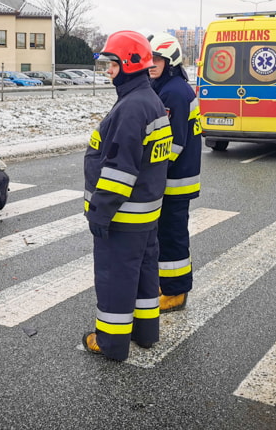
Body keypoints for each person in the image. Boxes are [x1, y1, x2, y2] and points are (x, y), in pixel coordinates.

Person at [82, 31, 173, 361]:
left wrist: (100, 212)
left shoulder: (132, 107)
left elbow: (121, 170)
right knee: (144, 274)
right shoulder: (149, 100)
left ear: (131, 64)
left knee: (115, 280)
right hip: (146, 214)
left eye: (113, 64)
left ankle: (111, 344)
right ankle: (146, 333)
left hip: (123, 216)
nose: (109, 71)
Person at [147, 33, 201, 312]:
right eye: (150, 58)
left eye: (158, 59)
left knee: (172, 236)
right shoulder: (168, 86)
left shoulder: (174, 92)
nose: (152, 63)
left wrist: (151, 173)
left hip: (175, 181)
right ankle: (167, 284)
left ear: (170, 62)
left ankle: (176, 292)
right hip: (174, 179)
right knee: (165, 235)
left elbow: (173, 143)